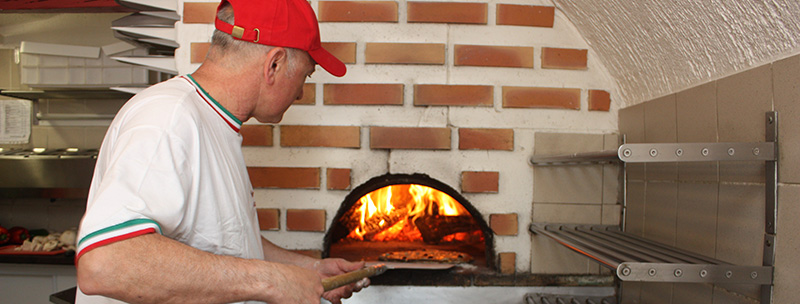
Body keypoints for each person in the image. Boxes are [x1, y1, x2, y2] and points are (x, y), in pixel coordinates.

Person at [74, 0, 364, 303]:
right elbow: (105, 262)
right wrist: (272, 281)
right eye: (306, 74)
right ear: (274, 64)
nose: (302, 92)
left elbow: (226, 238)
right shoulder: (168, 118)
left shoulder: (213, 124)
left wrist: (309, 268)